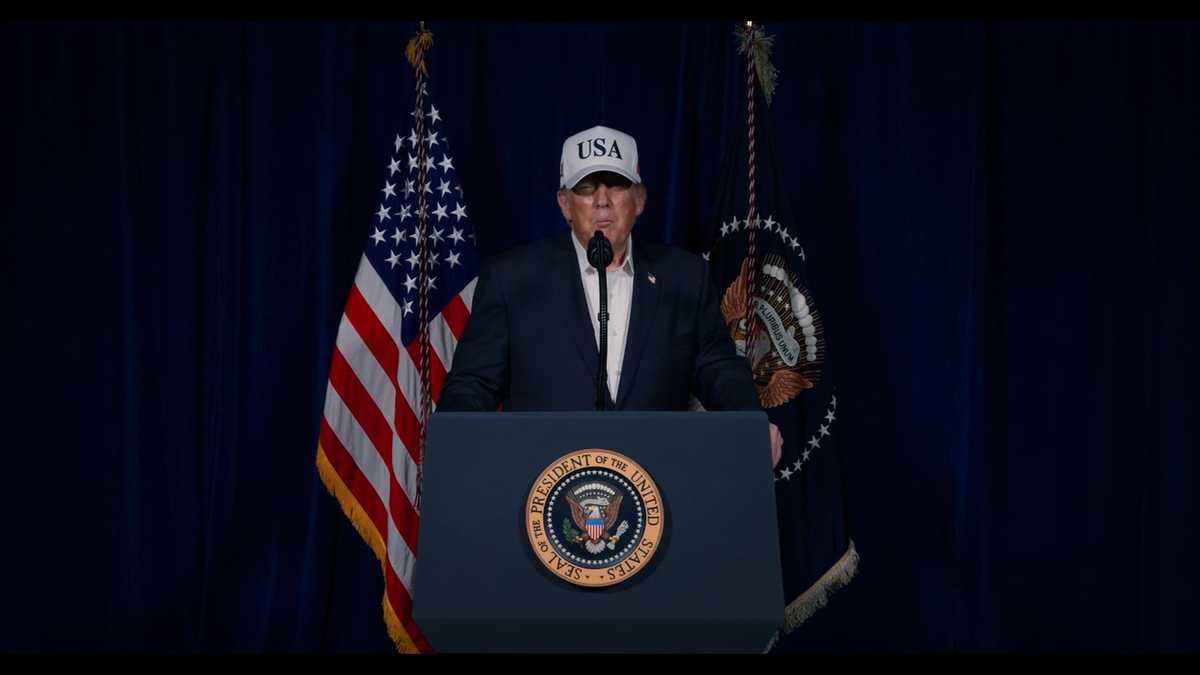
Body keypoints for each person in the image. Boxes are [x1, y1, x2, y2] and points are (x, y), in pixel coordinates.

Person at [437, 125, 782, 467]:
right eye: (586, 188)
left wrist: (750, 423)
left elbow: (718, 368)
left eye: (616, 184)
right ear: (565, 204)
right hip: (542, 480)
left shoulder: (685, 277)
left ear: (640, 199)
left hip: (657, 478)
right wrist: (452, 440)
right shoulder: (512, 279)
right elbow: (474, 383)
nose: (602, 200)